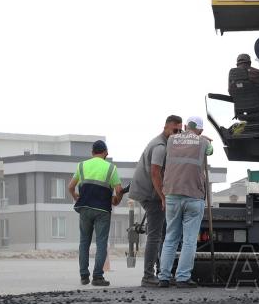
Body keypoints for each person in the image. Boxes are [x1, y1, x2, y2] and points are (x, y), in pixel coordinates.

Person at [157, 116, 214, 288]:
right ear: (200, 130)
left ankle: (164, 277)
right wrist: (204, 140)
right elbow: (210, 151)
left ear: (186, 126)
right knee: (189, 240)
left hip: (172, 195)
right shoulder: (202, 141)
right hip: (193, 196)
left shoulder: (172, 140)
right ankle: (182, 278)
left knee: (170, 238)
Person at [128, 115, 183, 286]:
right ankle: (148, 276)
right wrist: (163, 197)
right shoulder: (160, 146)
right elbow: (154, 173)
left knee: (163, 233)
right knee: (155, 236)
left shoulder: (164, 143)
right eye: (175, 130)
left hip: (150, 192)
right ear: (166, 127)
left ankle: (162, 273)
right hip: (150, 195)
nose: (177, 133)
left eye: (180, 131)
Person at [68, 140, 124, 286]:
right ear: (105, 152)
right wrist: (116, 200)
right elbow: (118, 191)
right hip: (102, 211)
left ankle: (84, 276)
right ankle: (98, 277)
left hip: (84, 208)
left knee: (84, 242)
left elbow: (70, 187)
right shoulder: (111, 168)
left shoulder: (82, 166)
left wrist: (76, 197)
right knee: (101, 243)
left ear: (92, 153)